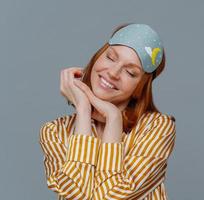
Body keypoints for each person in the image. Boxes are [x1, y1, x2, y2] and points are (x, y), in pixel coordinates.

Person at [39, 23, 176, 200]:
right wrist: (83, 110)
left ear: (140, 87)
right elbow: (75, 195)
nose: (113, 72)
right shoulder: (55, 132)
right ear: (97, 57)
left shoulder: (157, 128)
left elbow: (110, 197)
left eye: (130, 72)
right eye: (111, 58)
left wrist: (113, 119)